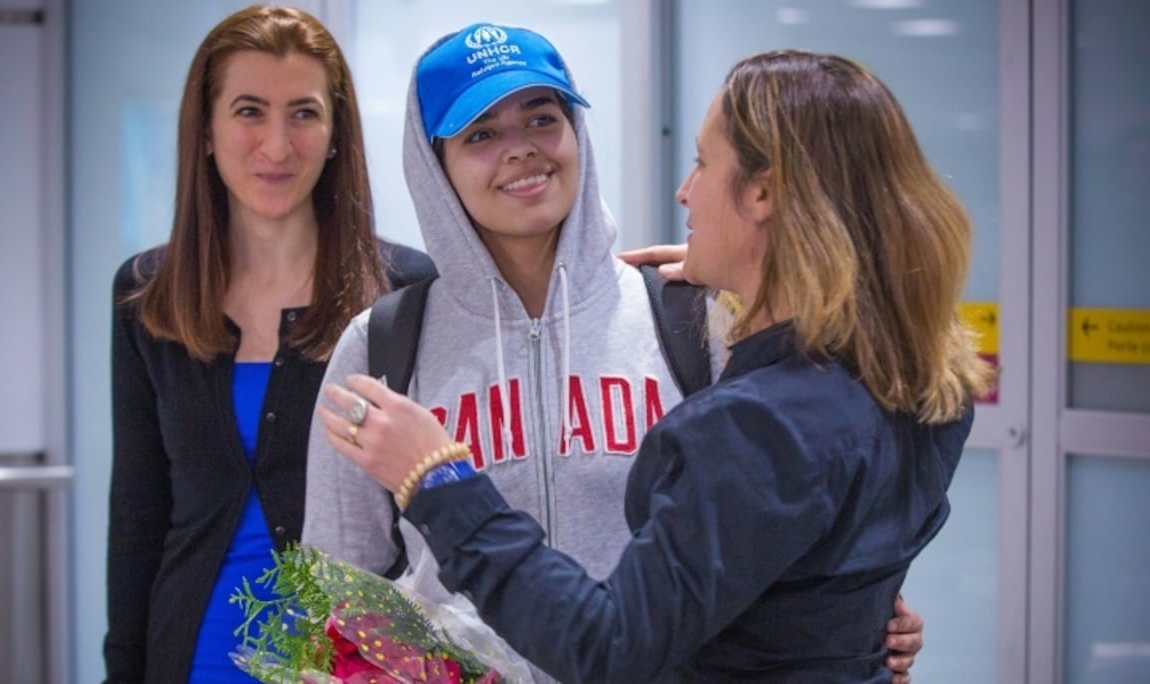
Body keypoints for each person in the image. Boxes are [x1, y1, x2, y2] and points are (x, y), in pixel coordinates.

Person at [320, 48, 997, 682]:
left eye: (542, 119)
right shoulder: (922, 382)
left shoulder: (705, 350)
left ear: (763, 195)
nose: (683, 190)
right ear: (434, 168)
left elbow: (614, 647)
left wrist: (437, 481)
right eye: (479, 135)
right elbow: (806, 554)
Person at [103, 7, 436, 682]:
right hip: (192, 658)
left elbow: (436, 509)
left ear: (337, 131)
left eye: (304, 114)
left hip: (359, 666)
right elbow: (137, 519)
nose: (278, 146)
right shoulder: (148, 296)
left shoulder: (407, 292)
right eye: (250, 111)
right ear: (206, 129)